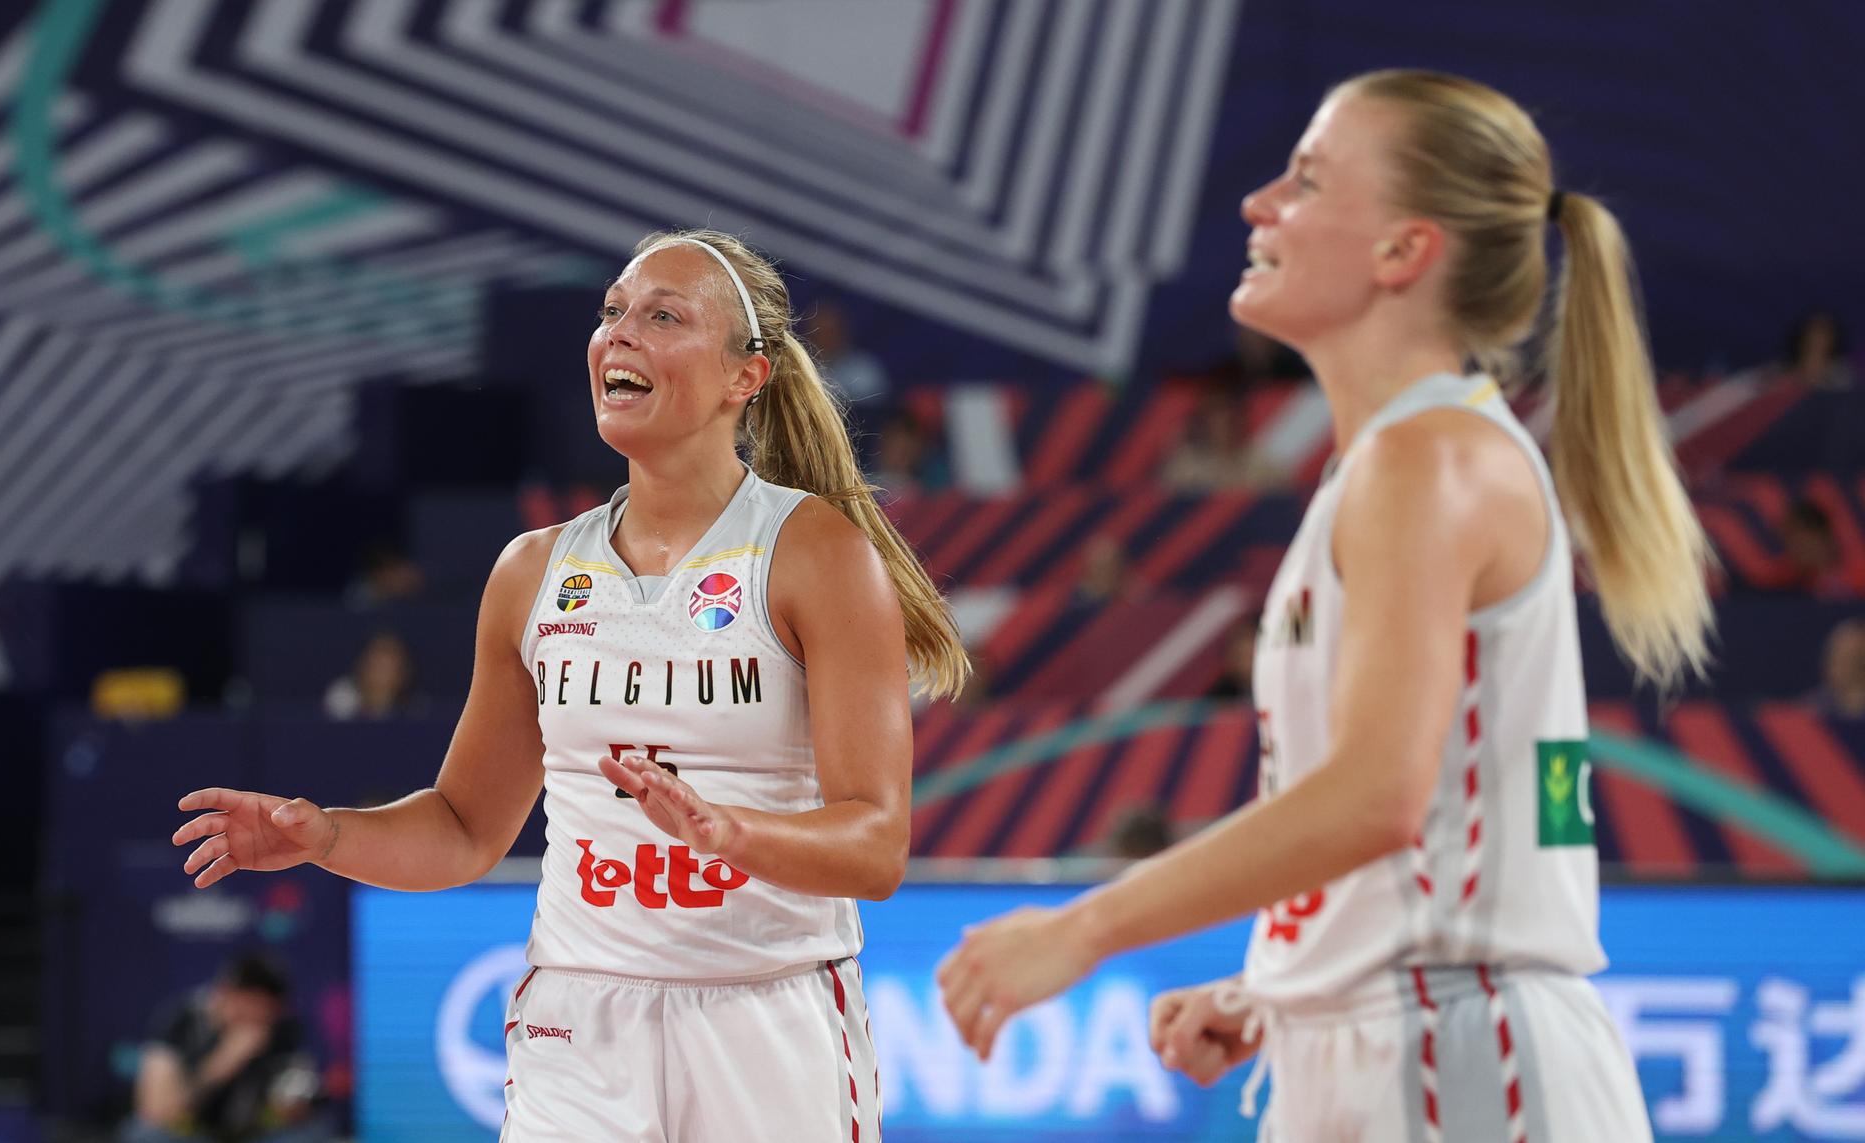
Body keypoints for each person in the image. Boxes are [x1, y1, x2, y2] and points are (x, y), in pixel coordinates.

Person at [937, 69, 1715, 1142]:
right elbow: (1445, 811)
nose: (1259, 204)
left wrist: (1083, 928)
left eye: (1305, 180)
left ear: (1404, 251)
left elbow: (1376, 796)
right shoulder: (1394, 463)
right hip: (1405, 1038)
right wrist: (1286, 986)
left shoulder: (1431, 461)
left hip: (1456, 1056)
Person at [173, 229, 969, 1141]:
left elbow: (876, 844)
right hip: (578, 1018)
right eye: (611, 312)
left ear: (744, 376)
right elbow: (467, 828)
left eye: (662, 316)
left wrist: (729, 832)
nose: (619, 333)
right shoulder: (533, 570)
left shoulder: (817, 553)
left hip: (767, 1009)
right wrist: (326, 835)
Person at [121, 953, 327, 1143]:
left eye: (269, 1011)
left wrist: (290, 1105)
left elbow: (294, 1101)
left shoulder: (282, 1028)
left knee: (313, 1131)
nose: (259, 1018)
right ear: (226, 993)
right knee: (144, 1133)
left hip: (252, 1134)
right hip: (191, 1134)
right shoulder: (179, 1020)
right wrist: (223, 1063)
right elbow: (156, 1110)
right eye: (251, 1006)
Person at [320, 630, 421, 720]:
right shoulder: (340, 701)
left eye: (387, 666)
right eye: (375, 663)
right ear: (362, 665)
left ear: (403, 673)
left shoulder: (415, 711)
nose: (379, 672)